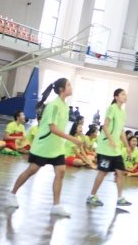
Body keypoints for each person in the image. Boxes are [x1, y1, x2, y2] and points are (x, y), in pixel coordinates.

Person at [6, 78, 82, 216]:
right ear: (61, 89)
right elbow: (53, 128)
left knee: (61, 172)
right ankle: (12, 194)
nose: (71, 87)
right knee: (31, 170)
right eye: (69, 85)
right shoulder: (54, 105)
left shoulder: (65, 106)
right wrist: (72, 138)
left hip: (56, 147)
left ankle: (56, 206)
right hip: (44, 145)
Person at [86, 88, 132, 207]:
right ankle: (92, 196)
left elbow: (121, 131)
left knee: (121, 172)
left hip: (115, 149)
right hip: (106, 147)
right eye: (122, 94)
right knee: (103, 172)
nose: (125, 96)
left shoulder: (123, 112)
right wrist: (111, 140)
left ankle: (120, 198)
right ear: (116, 97)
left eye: (125, 94)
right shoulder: (112, 108)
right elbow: (105, 126)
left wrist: (127, 146)